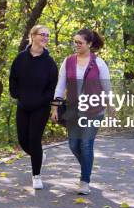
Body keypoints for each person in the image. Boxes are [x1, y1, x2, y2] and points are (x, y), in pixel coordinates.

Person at [51, 28, 112, 195]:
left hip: (94, 110)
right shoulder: (68, 61)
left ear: (89, 44)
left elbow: (107, 88)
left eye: (79, 42)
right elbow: (60, 85)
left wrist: (112, 107)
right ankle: (87, 166)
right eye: (75, 41)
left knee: (86, 144)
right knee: (73, 145)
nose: (76, 45)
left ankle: (85, 180)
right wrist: (55, 107)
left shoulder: (99, 63)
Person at [9, 25, 58, 190]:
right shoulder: (20, 58)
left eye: (47, 35)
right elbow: (13, 78)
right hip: (23, 105)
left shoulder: (50, 63)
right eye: (42, 34)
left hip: (41, 107)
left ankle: (36, 175)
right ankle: (39, 155)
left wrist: (44, 101)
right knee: (23, 140)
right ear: (33, 36)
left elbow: (52, 87)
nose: (45, 37)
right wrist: (17, 95)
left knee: (34, 139)